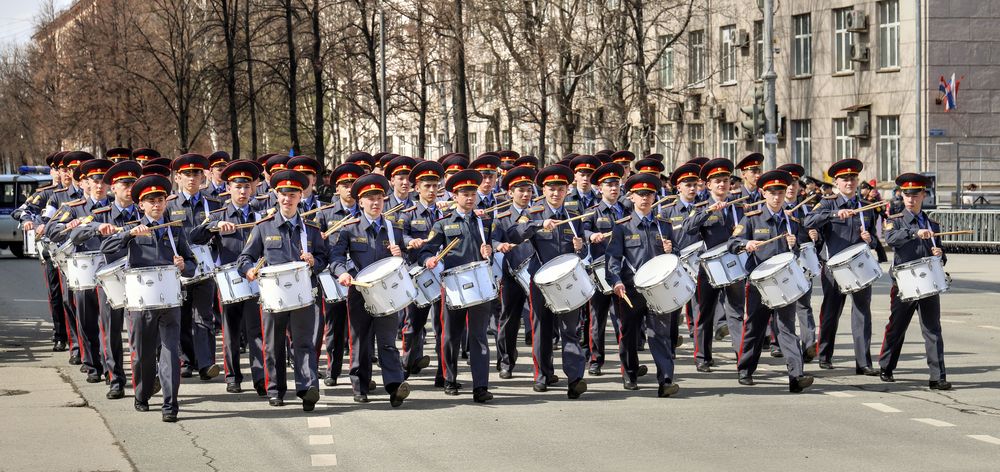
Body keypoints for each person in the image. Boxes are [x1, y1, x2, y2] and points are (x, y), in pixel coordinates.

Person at [100, 174, 197, 422]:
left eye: (161, 199)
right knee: (142, 354)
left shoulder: (174, 230)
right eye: (151, 200)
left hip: (170, 303)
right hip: (141, 304)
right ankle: (142, 394)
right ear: (141, 205)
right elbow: (106, 249)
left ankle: (170, 404)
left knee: (170, 352)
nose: (157, 204)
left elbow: (193, 265)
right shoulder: (132, 228)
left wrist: (183, 264)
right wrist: (129, 234)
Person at [237, 169, 327, 411]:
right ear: (276, 195)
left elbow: (324, 258)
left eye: (293, 194)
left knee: (303, 343)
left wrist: (314, 262)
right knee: (273, 344)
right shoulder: (263, 228)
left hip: (302, 297)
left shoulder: (311, 229)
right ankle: (275, 389)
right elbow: (244, 258)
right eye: (284, 194)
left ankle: (307, 388)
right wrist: (249, 271)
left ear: (301, 195)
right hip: (273, 297)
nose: (288, 199)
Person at [329, 173, 413, 406]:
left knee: (387, 341)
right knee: (361, 340)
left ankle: (395, 386)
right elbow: (335, 258)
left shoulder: (392, 228)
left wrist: (401, 254)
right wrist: (342, 273)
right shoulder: (349, 228)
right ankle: (360, 385)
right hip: (360, 292)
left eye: (379, 198)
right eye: (370, 198)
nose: (375, 203)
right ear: (360, 202)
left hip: (387, 292)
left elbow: (403, 259)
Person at [506, 165, 589, 399]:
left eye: (560, 189)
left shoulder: (573, 217)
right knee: (542, 329)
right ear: (543, 190)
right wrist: (537, 225)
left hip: (568, 282)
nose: (556, 193)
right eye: (551, 189)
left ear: (566, 190)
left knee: (570, 330)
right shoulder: (532, 214)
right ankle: (542, 375)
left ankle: (575, 378)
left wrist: (581, 249)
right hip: (540, 281)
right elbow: (512, 234)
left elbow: (583, 253)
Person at [730, 170, 814, 393]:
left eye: (780, 192)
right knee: (755, 326)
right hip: (759, 283)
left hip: (783, 281)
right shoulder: (752, 218)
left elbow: (796, 253)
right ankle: (745, 369)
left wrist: (794, 244)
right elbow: (732, 242)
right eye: (772, 192)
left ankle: (796, 375)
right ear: (763, 193)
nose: (777, 197)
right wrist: (745, 244)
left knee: (786, 328)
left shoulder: (791, 220)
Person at [418, 169, 496, 403]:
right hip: (453, 286)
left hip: (480, 286)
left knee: (479, 337)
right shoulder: (443, 224)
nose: (470, 198)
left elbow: (490, 248)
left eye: (473, 193)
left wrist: (489, 252)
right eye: (464, 193)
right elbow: (427, 249)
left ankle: (480, 386)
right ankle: (450, 378)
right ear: (454, 196)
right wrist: (429, 259)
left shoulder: (484, 223)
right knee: (451, 335)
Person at [189, 160, 267, 395]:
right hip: (230, 280)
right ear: (229, 188)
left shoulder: (260, 214)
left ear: (252, 188)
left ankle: (260, 377)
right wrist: (213, 226)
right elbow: (194, 237)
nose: (242, 192)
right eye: (237, 187)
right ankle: (233, 376)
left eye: (246, 187)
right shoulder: (218, 214)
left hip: (255, 276)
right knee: (231, 332)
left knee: (256, 331)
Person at [605, 173, 681, 397]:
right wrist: (616, 281)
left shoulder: (664, 226)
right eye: (640, 194)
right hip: (631, 290)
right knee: (629, 333)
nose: (645, 198)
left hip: (657, 290)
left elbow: (675, 257)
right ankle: (629, 372)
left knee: (660, 334)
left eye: (649, 194)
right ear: (632, 197)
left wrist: (672, 251)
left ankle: (665, 380)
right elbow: (613, 258)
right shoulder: (623, 227)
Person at [803, 158, 879, 375]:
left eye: (853, 178)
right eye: (845, 179)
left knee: (862, 313)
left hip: (859, 265)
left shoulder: (865, 207)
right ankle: (825, 354)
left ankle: (863, 362)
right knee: (831, 312)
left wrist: (870, 240)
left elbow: (874, 237)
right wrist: (834, 214)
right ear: (836, 182)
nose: (849, 182)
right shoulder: (828, 202)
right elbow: (808, 221)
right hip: (834, 267)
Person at [879, 173, 950, 390]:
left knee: (932, 329)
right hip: (904, 282)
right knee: (897, 326)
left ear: (923, 195)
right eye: (906, 195)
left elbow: (942, 257)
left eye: (915, 195)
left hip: (929, 282)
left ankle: (937, 376)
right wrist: (914, 233)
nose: (910, 199)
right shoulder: (895, 221)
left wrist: (939, 254)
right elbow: (891, 239)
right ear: (902, 195)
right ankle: (886, 366)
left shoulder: (933, 224)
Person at [682, 158, 745, 372]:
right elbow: (688, 229)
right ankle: (702, 356)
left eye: (725, 180)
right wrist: (708, 211)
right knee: (705, 313)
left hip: (734, 264)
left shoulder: (739, 207)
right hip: (708, 268)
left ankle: (741, 358)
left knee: (736, 312)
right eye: (717, 181)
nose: (722, 185)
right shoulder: (700, 207)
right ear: (708, 185)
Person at [167, 154, 224, 381]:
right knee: (180, 315)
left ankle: (206, 362)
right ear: (178, 177)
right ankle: (185, 360)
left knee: (204, 316)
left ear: (203, 177)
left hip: (205, 268)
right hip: (179, 267)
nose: (192, 178)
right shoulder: (169, 205)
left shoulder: (215, 204)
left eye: (196, 174)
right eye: (187, 174)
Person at [399, 160, 446, 380]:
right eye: (427, 186)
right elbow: (401, 236)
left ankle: (442, 371)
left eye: (435, 186)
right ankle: (406, 365)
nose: (432, 190)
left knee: (441, 325)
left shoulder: (445, 213)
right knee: (413, 324)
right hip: (416, 273)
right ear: (417, 188)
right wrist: (411, 242)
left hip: (441, 274)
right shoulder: (408, 213)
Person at [490, 166, 537, 379]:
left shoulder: (539, 212)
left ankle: (542, 368)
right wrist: (499, 246)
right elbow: (492, 239)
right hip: (511, 274)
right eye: (520, 190)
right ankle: (506, 361)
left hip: (535, 272)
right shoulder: (502, 217)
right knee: (509, 319)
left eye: (528, 189)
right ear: (510, 193)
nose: (525, 194)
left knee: (539, 320)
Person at [582, 162, 627, 376]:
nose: (613, 188)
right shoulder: (592, 212)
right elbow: (582, 230)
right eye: (608, 185)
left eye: (616, 184)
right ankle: (595, 360)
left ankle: (626, 361)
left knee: (622, 319)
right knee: (597, 319)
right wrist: (590, 236)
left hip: (621, 270)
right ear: (600, 188)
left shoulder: (627, 210)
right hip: (599, 270)